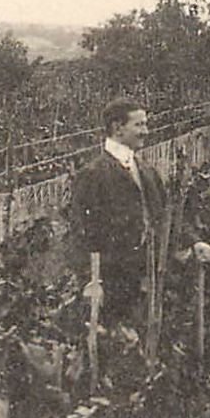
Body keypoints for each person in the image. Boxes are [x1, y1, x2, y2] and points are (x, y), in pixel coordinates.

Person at [70, 98, 168, 326]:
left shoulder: (148, 171)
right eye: (139, 125)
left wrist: (191, 244)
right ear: (117, 128)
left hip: (150, 276)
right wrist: (90, 281)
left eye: (146, 124)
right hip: (114, 283)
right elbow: (80, 232)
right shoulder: (94, 174)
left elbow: (164, 216)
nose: (146, 131)